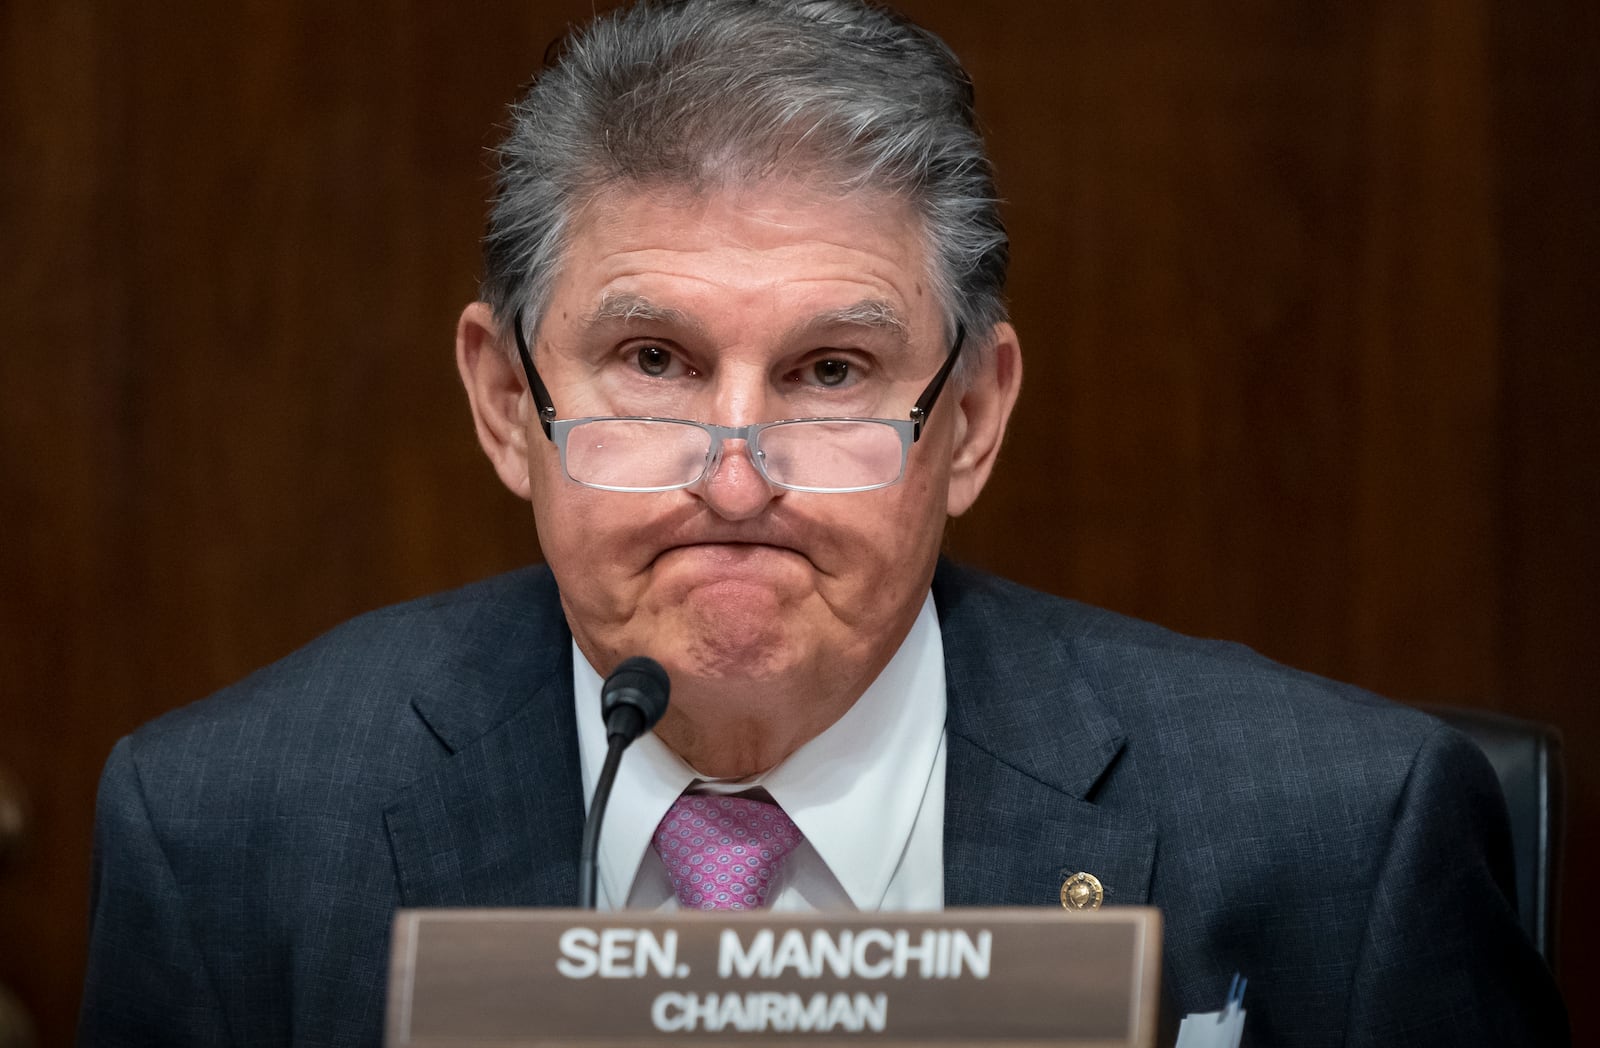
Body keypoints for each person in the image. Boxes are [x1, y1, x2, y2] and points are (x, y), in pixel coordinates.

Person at [79, 1, 1567, 1044]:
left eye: (832, 372)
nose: (737, 477)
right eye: (653, 363)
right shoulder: (231, 833)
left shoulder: (1338, 834)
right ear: (502, 401)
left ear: (971, 418)